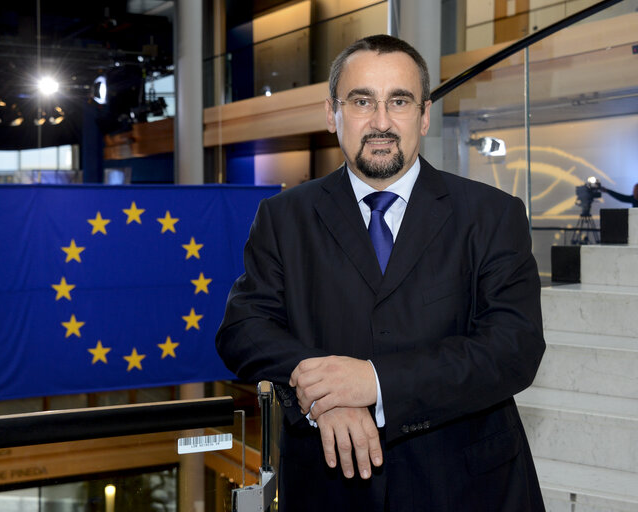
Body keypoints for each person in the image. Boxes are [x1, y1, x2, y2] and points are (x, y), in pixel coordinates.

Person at [216, 34, 546, 510]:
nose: (382, 122)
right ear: (332, 114)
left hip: (468, 488)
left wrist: (373, 382)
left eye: (399, 101)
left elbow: (513, 348)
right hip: (329, 488)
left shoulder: (492, 213)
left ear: (424, 115)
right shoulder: (283, 216)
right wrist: (326, 393)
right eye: (362, 101)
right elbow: (243, 330)